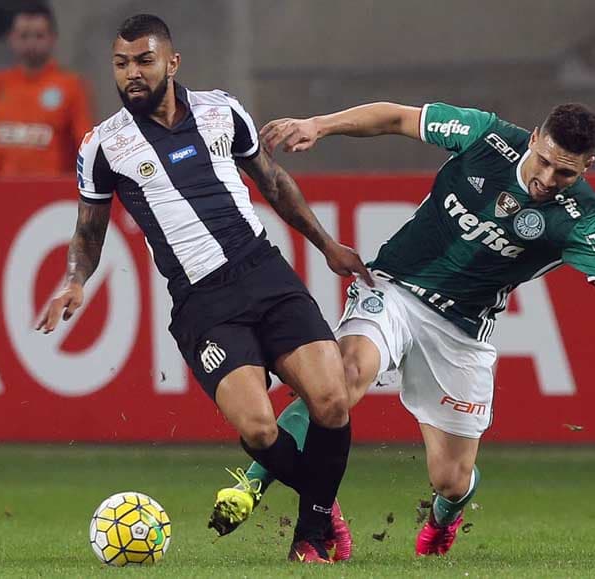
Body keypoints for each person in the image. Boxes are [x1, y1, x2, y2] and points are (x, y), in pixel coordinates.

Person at [210, 100, 595, 556]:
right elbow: (395, 117)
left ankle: (444, 518)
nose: (547, 178)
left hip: (461, 331)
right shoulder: (486, 135)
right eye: (543, 160)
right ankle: (256, 483)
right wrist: (319, 125)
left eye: (564, 173)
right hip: (392, 289)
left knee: (450, 478)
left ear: (587, 166)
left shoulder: (581, 217)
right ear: (536, 137)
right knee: (341, 378)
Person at [36, 14, 370, 564]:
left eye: (143, 61)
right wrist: (75, 279)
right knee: (260, 430)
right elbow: (88, 232)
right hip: (203, 301)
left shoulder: (222, 110)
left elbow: (274, 182)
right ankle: (322, 506)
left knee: (332, 400)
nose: (132, 75)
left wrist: (326, 244)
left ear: (172, 61)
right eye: (121, 65)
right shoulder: (104, 146)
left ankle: (310, 538)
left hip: (264, 272)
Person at [0, 3, 93, 177]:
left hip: (52, 195)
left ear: (52, 38)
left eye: (38, 36)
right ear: (11, 38)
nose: (31, 43)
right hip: (1, 192)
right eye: (24, 36)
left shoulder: (72, 86)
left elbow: (85, 145)